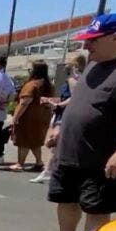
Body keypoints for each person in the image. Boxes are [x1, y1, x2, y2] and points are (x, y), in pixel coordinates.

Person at [29, 12, 116, 231]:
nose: (86, 45)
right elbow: (80, 102)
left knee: (96, 209)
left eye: (93, 40)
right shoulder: (95, 64)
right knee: (65, 201)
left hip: (102, 159)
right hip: (71, 151)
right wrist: (60, 128)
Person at [31, 55, 87, 183]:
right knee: (57, 145)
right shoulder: (79, 80)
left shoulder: (73, 80)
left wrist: (58, 104)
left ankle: (49, 171)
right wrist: (55, 101)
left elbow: (73, 98)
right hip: (64, 114)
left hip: (65, 115)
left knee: (54, 142)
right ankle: (50, 171)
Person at [9, 60, 55, 172]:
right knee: (35, 141)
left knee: (23, 140)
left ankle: (20, 163)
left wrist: (15, 118)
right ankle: (39, 162)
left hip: (28, 118)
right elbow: (52, 103)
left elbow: (24, 102)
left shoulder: (31, 85)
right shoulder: (49, 85)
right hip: (43, 117)